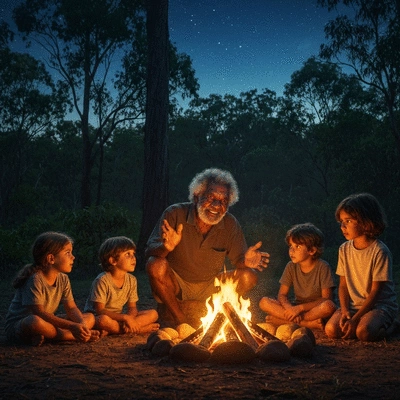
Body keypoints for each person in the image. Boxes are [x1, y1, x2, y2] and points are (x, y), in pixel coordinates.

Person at [145, 168, 270, 326]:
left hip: (211, 285)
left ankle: (206, 309)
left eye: (223, 201)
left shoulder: (230, 224)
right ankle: (179, 318)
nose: (217, 205)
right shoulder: (175, 214)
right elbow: (149, 252)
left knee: (249, 276)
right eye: (211, 198)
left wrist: (246, 261)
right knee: (155, 264)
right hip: (177, 284)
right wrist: (166, 247)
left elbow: (239, 260)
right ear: (197, 197)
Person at [5, 231, 100, 346]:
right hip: (20, 326)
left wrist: (81, 325)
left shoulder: (63, 279)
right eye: (67, 253)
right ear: (51, 258)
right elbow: (39, 313)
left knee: (89, 317)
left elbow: (71, 308)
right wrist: (72, 326)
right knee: (34, 322)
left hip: (47, 322)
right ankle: (71, 336)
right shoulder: (35, 279)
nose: (73, 257)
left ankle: (50, 336)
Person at [325, 193, 398, 341]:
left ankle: (393, 326)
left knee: (363, 333)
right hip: (352, 306)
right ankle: (359, 322)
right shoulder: (344, 249)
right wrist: (345, 311)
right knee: (331, 330)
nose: (342, 226)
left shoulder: (380, 251)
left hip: (378, 306)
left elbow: (376, 291)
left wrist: (356, 319)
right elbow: (343, 286)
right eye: (341, 222)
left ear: (365, 222)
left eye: (348, 221)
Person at [259, 223, 336, 330]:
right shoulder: (291, 266)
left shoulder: (323, 267)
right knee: (264, 302)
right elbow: (282, 295)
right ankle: (307, 324)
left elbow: (326, 299)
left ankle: (284, 321)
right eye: (291, 246)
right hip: (296, 307)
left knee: (329, 306)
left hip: (314, 310)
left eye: (298, 246)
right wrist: (290, 309)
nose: (292, 250)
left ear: (312, 250)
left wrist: (299, 309)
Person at [84, 236, 159, 335]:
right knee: (103, 320)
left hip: (118, 317)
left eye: (133, 254)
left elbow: (132, 308)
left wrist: (130, 319)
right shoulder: (102, 280)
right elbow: (100, 310)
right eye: (128, 254)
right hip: (98, 317)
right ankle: (140, 329)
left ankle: (118, 329)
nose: (133, 258)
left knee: (153, 314)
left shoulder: (132, 280)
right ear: (113, 261)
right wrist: (125, 318)